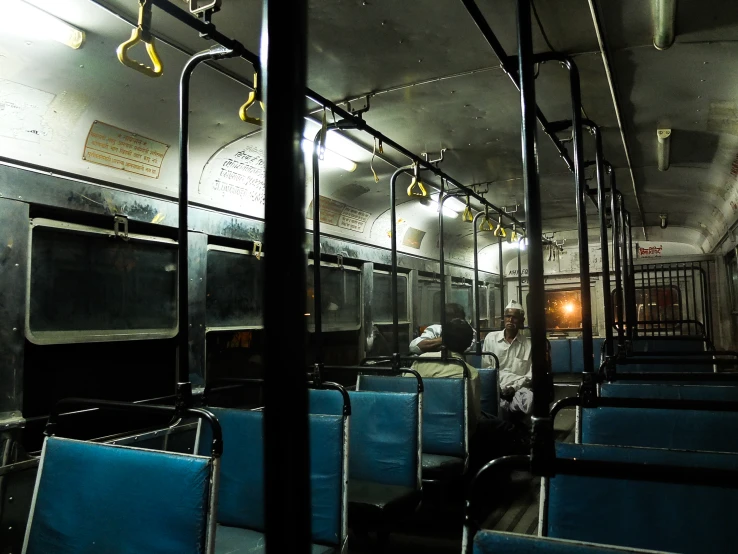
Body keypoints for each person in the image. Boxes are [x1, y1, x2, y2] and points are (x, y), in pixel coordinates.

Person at [410, 318, 481, 433]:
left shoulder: (419, 363)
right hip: (454, 434)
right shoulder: (469, 373)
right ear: (468, 344)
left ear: (441, 339)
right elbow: (473, 418)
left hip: (417, 431)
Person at [482, 299, 533, 419]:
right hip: (496, 388)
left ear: (521, 321)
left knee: (529, 399)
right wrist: (498, 388)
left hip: (519, 389)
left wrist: (513, 388)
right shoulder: (491, 338)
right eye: (507, 316)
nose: (510, 320)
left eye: (514, 317)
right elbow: (487, 369)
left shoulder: (528, 344)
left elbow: (529, 375)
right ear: (503, 319)